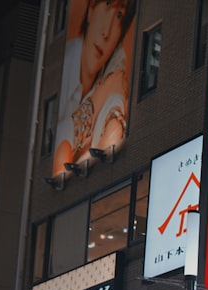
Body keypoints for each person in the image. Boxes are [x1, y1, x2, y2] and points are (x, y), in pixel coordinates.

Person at [52, 0, 137, 175]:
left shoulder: (113, 72)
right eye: (107, 6)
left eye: (119, 16)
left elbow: (116, 100)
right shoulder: (65, 67)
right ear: (91, 9)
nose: (107, 31)